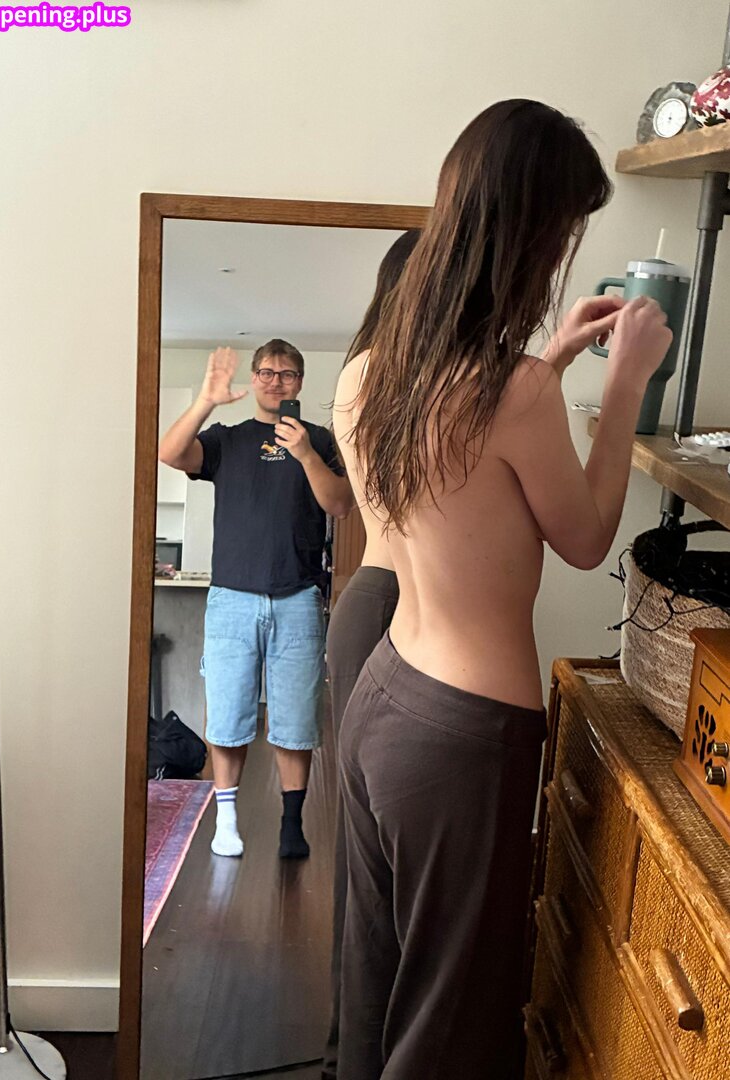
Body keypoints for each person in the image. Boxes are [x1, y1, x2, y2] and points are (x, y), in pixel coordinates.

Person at [337, 99, 673, 1080]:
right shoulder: (512, 393)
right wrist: (625, 384)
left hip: (385, 697)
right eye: (564, 232)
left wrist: (554, 357)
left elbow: (468, 470)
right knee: (451, 1023)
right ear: (528, 234)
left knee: (377, 991)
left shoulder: (370, 373)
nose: (564, 253)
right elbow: (586, 536)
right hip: (465, 733)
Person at [159, 339, 353, 859]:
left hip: (298, 598)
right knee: (227, 716)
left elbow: (339, 505)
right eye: (266, 372)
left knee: (296, 719)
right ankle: (226, 821)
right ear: (254, 377)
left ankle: (292, 825)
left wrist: (305, 453)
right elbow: (171, 453)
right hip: (232, 599)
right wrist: (206, 399)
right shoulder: (229, 438)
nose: (275, 381)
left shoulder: (319, 440)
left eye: (286, 374)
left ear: (299, 382)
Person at [322, 227, 420, 1080]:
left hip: (374, 603)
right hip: (383, 602)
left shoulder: (373, 373)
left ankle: (352, 1050)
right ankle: (353, 1052)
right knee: (372, 858)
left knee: (377, 856)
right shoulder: (392, 377)